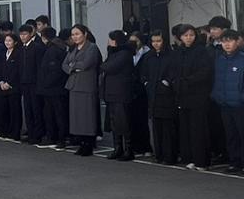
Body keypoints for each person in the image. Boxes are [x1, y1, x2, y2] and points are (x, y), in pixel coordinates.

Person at [169, 24, 215, 171]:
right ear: (180, 37)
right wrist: (175, 82)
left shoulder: (201, 51)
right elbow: (172, 70)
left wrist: (188, 81)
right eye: (185, 35)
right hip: (182, 94)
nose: (188, 38)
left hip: (198, 94)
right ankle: (189, 158)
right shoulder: (178, 52)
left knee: (199, 128)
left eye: (191, 35)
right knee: (186, 128)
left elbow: (205, 71)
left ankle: (201, 160)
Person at [211, 29, 244, 173]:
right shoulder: (219, 59)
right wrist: (217, 96)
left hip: (242, 105)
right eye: (224, 41)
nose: (227, 44)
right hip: (225, 103)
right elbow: (216, 80)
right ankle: (234, 162)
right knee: (231, 135)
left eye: (230, 41)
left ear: (237, 41)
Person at [140, 29, 178, 164]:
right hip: (153, 95)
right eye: (153, 41)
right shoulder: (148, 56)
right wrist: (146, 83)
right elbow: (143, 73)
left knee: (168, 127)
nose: (156, 44)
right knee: (156, 127)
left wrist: (167, 82)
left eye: (159, 41)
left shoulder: (171, 55)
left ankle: (170, 155)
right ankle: (159, 154)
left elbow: (174, 72)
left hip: (167, 96)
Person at [62, 25, 100, 155]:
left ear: (85, 34)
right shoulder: (73, 49)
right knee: (77, 116)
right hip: (74, 85)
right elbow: (64, 64)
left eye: (77, 34)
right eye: (73, 35)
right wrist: (73, 68)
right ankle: (81, 142)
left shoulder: (91, 47)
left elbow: (86, 64)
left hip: (86, 85)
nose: (75, 37)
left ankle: (88, 143)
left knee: (87, 116)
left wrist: (73, 66)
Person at [100, 29, 137, 161]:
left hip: (121, 92)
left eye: (111, 39)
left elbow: (108, 67)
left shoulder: (125, 53)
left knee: (124, 122)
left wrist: (105, 65)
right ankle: (118, 147)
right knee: (114, 122)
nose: (109, 42)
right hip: (111, 92)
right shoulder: (114, 53)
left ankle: (128, 149)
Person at [37, 27, 68, 149]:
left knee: (54, 114)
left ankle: (56, 138)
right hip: (57, 88)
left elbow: (53, 70)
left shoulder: (52, 50)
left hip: (52, 88)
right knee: (56, 114)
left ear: (44, 37)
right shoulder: (59, 47)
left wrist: (45, 83)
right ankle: (58, 137)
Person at [0, 29, 23, 140]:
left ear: (15, 42)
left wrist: (9, 83)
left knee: (14, 111)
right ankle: (3, 131)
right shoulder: (2, 54)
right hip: (2, 86)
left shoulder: (18, 54)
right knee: (1, 109)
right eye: (6, 40)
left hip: (13, 87)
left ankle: (14, 133)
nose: (7, 43)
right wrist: (0, 82)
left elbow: (17, 71)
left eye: (10, 41)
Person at [18, 23, 44, 145]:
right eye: (21, 34)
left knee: (36, 109)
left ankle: (38, 135)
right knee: (27, 109)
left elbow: (40, 67)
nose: (23, 37)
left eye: (25, 34)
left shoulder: (37, 47)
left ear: (31, 34)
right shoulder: (21, 48)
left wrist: (39, 83)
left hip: (34, 83)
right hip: (24, 83)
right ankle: (30, 132)